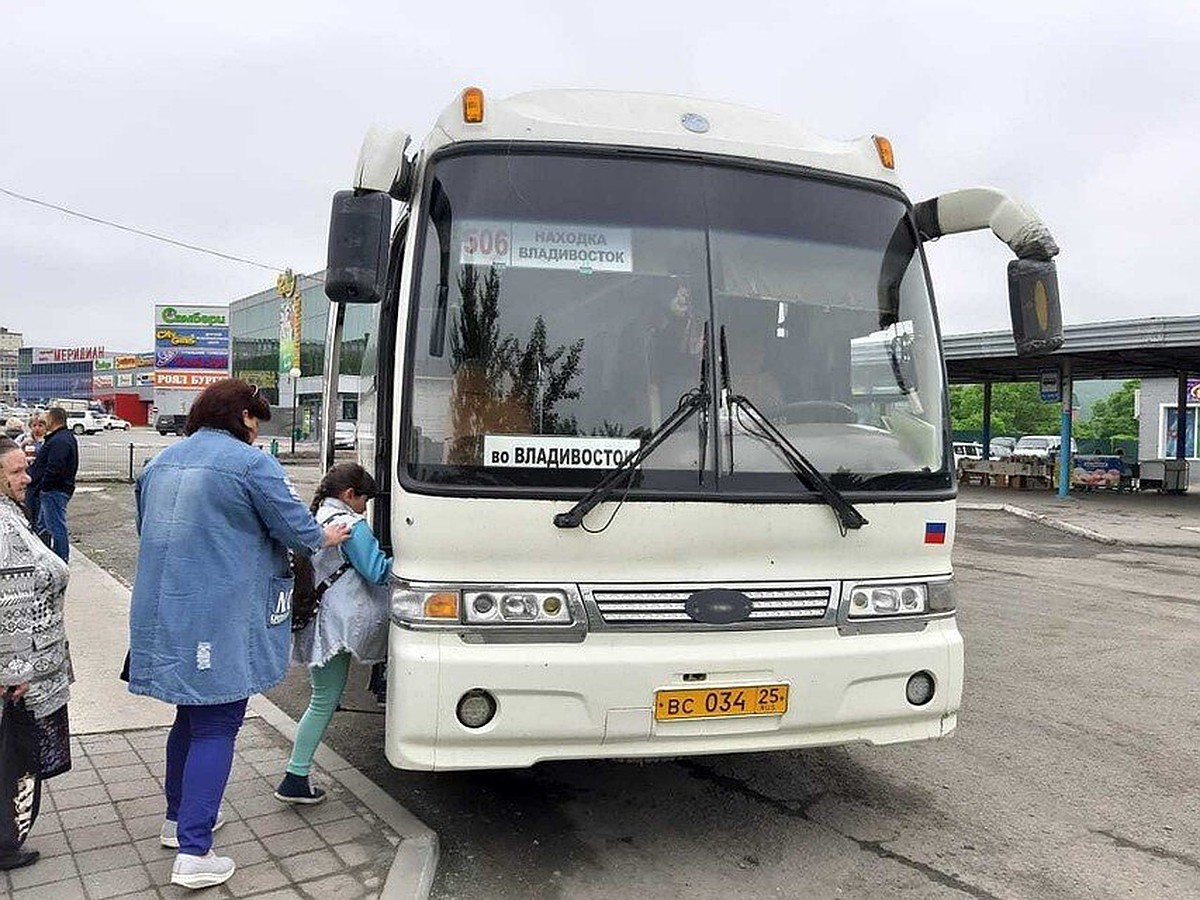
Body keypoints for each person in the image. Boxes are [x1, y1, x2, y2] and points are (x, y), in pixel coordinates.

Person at [127, 379, 351, 890]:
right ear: (245, 417)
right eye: (258, 418)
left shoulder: (161, 461)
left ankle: (176, 821)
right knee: (218, 722)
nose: (259, 428)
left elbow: (148, 530)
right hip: (218, 615)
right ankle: (194, 851)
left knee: (189, 714)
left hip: (165, 613)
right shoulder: (252, 464)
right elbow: (298, 531)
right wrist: (328, 535)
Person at [276, 463, 392, 804]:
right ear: (349, 495)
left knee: (322, 698)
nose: (365, 508)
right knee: (324, 701)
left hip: (318, 620)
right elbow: (377, 571)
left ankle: (296, 775)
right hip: (335, 626)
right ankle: (295, 777)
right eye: (364, 501)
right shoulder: (349, 525)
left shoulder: (317, 519)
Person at [0, 437, 73, 872]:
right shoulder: (4, 528)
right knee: (16, 758)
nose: (27, 477)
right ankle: (6, 842)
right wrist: (13, 670)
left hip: (26, 667)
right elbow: (10, 602)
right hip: (21, 675)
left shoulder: (12, 517)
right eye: (15, 472)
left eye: (25, 468)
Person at [26, 407, 78, 562]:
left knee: (55, 527)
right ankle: (49, 557)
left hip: (54, 491)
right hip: (52, 490)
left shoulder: (59, 441)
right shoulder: (61, 438)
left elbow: (55, 467)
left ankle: (61, 559)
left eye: (47, 418)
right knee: (44, 526)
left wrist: (44, 487)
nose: (45, 421)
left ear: (54, 420)